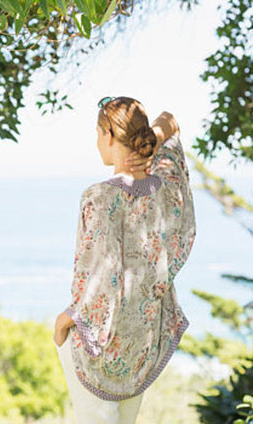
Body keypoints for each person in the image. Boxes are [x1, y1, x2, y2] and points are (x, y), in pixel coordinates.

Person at [53, 96, 197, 424]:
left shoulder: (100, 197)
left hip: (98, 352)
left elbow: (98, 278)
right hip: (141, 347)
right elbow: (170, 119)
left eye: (97, 133)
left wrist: (66, 319)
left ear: (108, 135)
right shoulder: (165, 184)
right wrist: (154, 143)